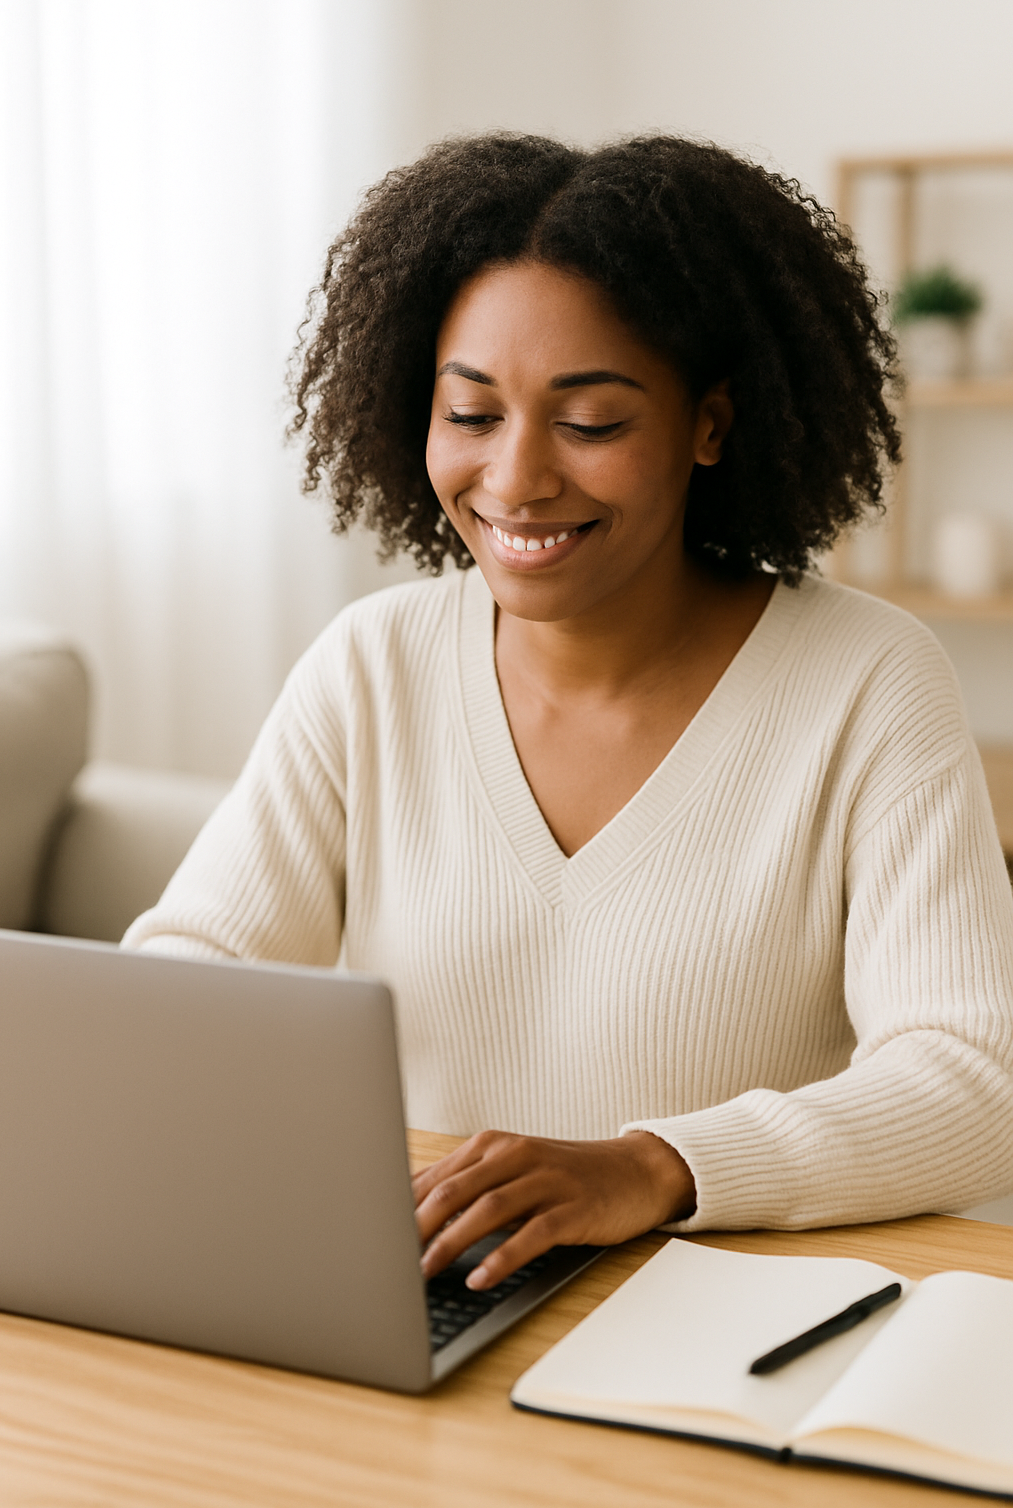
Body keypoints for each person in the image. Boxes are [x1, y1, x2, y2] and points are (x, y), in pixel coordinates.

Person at [125, 134, 1013, 1293]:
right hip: (437, 1295)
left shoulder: (866, 680)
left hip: (727, 1319)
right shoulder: (372, 665)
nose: (518, 479)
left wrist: (651, 1167)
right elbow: (185, 975)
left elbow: (970, 1080)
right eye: (472, 413)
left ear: (708, 425)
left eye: (590, 422)